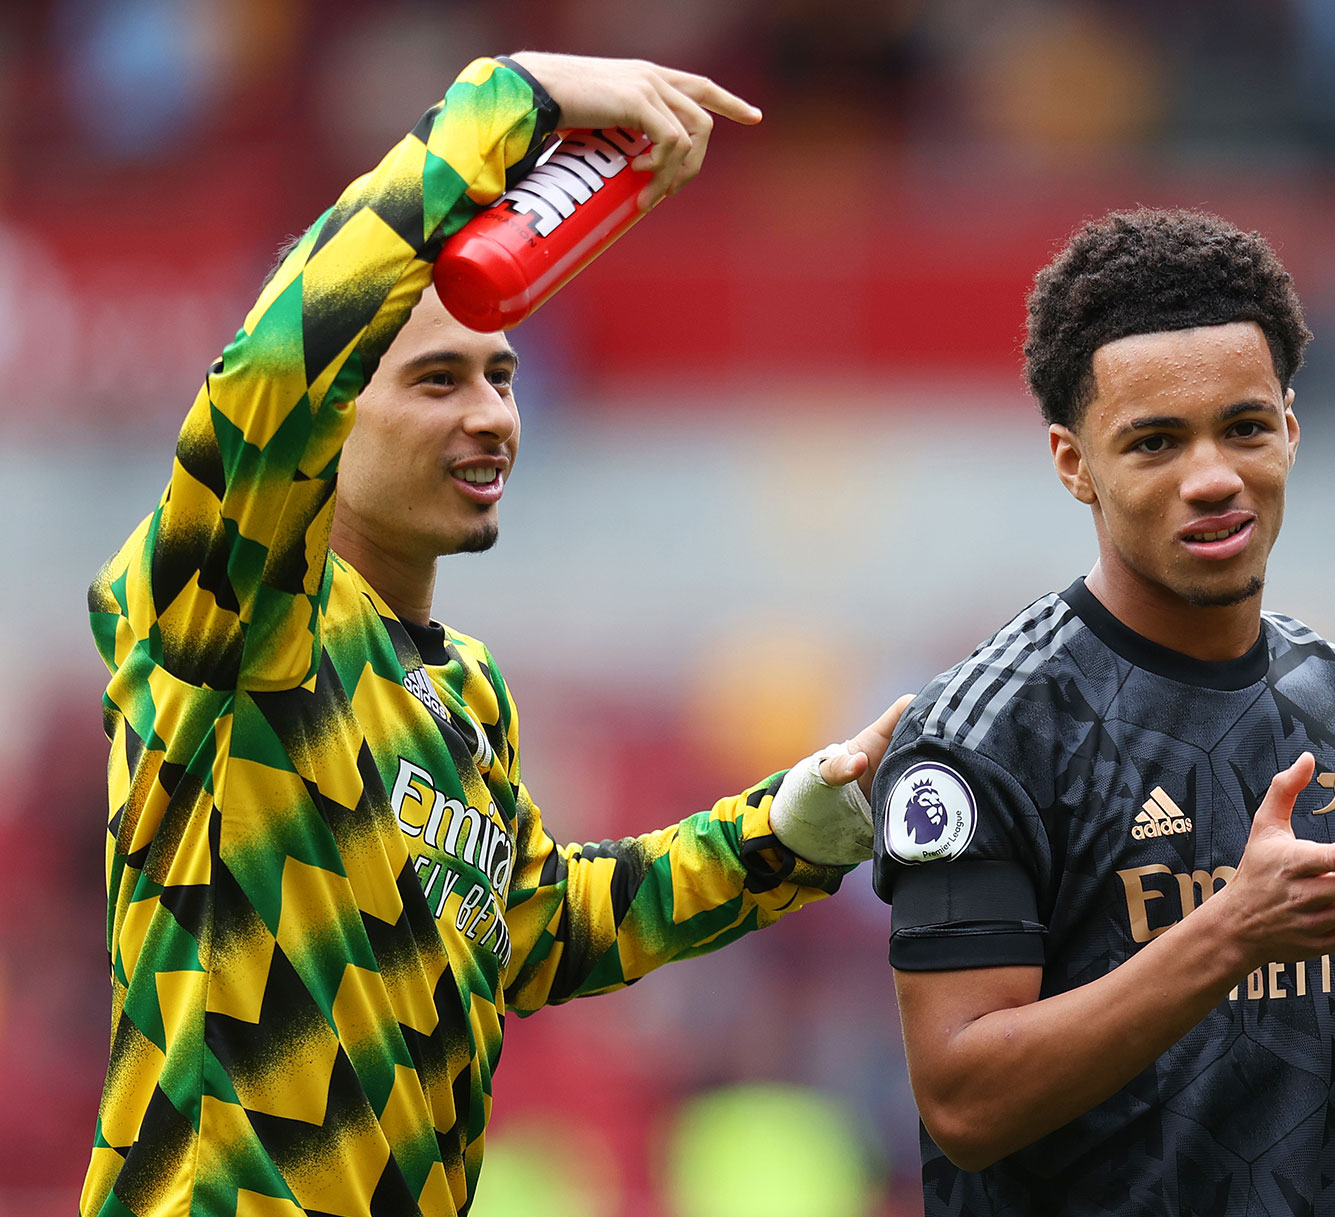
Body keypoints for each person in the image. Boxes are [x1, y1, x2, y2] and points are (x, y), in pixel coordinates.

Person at [83, 53, 895, 1217]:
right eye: (436, 381)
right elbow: (270, 368)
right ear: (329, 416)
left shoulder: (464, 690)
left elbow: (534, 931)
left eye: (501, 374)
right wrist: (511, 96)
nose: (491, 415)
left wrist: (785, 835)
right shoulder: (239, 610)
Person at [870, 208, 1335, 1216]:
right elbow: (965, 1096)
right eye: (1154, 441)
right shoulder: (985, 734)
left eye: (1245, 426)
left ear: (1292, 429)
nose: (1214, 475)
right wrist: (1233, 930)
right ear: (1072, 462)